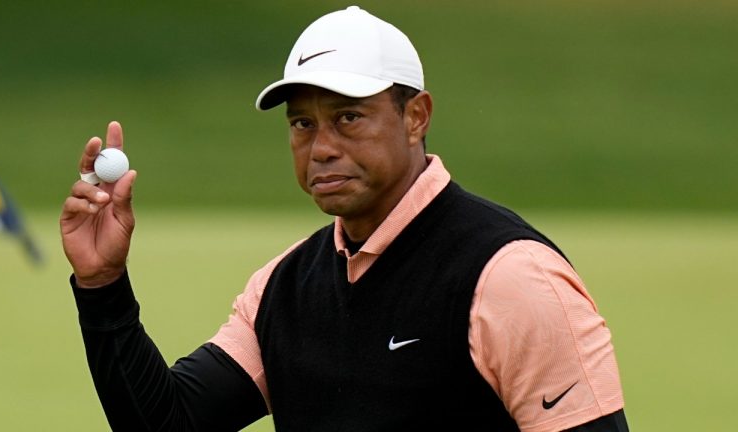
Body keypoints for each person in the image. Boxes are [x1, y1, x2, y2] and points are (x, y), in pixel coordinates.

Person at [61, 6, 629, 432]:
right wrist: (101, 284)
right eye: (303, 124)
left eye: (349, 117)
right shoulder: (283, 286)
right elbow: (169, 423)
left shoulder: (510, 276)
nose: (322, 147)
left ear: (415, 116)